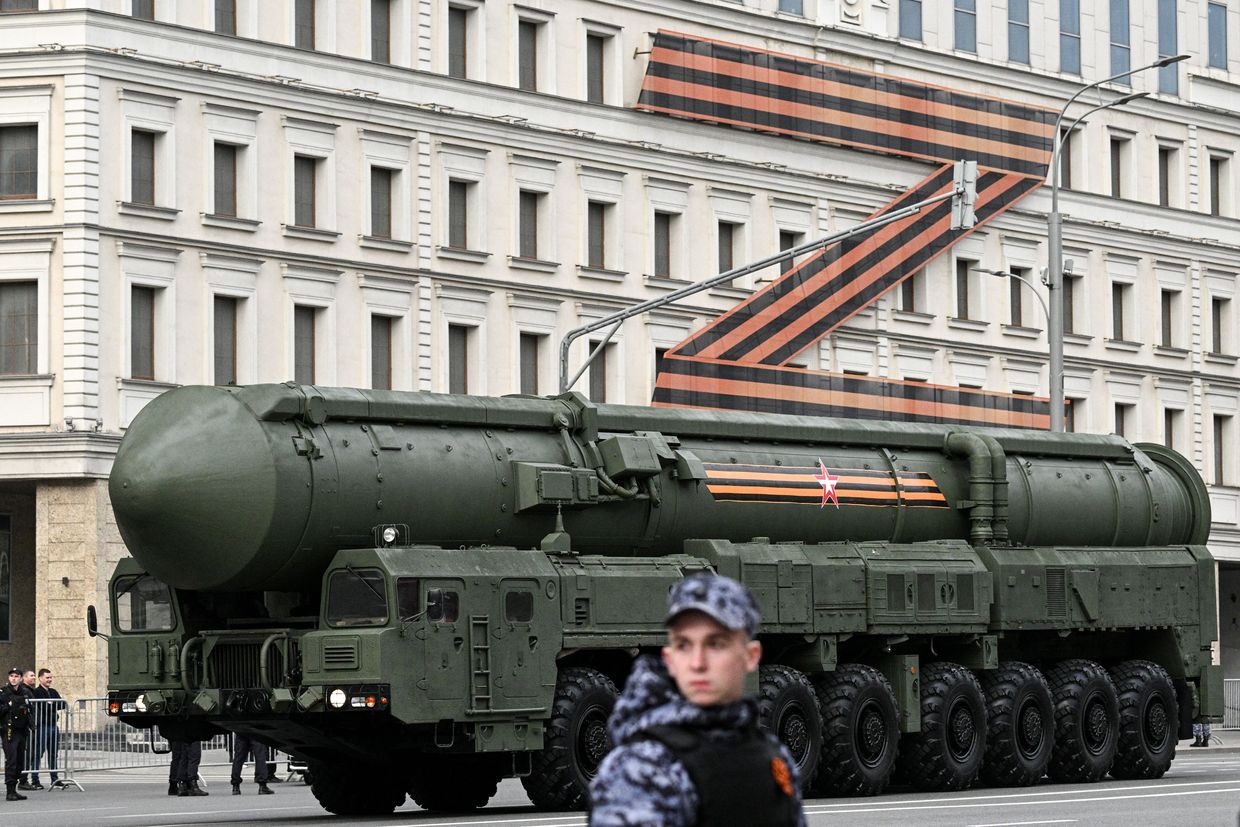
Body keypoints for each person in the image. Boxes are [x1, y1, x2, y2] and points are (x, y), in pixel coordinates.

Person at [589, 573, 806, 827]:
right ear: (669, 659)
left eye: (716, 644)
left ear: (751, 656)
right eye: (684, 645)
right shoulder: (641, 767)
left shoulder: (773, 756)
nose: (697, 663)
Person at [0, 667, 33, 802]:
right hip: (9, 730)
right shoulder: (3, 692)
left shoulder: (25, 692)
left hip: (21, 730)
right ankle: (10, 791)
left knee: (20, 761)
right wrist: (8, 706)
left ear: (20, 678)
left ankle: (15, 789)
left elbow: (30, 707)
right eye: (11, 676)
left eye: (16, 676)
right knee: (11, 760)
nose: (13, 678)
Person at [28, 669, 65, 790]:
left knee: (53, 754)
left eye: (50, 677)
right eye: (47, 678)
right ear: (40, 678)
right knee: (38, 753)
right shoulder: (37, 692)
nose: (49, 680)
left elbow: (62, 704)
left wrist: (51, 704)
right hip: (42, 726)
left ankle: (55, 779)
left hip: (53, 725)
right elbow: (42, 707)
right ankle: (35, 779)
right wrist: (52, 705)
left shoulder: (53, 691)